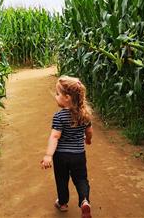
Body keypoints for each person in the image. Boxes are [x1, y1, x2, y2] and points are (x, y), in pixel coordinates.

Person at [41, 76, 93, 218]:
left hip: (61, 156)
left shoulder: (59, 116)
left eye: (58, 94)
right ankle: (84, 201)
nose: (56, 96)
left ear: (67, 97)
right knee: (81, 179)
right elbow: (89, 132)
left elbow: (55, 136)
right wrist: (88, 140)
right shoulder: (85, 115)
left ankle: (63, 203)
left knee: (62, 179)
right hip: (78, 155)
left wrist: (48, 155)